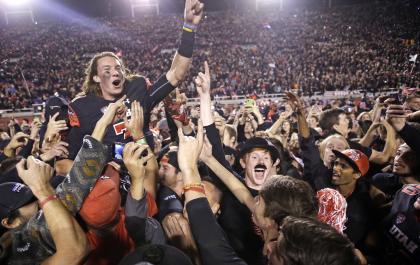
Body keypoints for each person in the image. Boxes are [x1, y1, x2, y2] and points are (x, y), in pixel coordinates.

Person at [62, 0, 205, 172]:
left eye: (118, 68)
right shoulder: (81, 107)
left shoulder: (136, 87)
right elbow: (65, 163)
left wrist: (189, 27)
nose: (115, 72)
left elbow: (177, 74)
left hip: (147, 174)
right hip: (104, 180)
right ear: (96, 78)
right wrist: (103, 170)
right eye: (107, 70)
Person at [0, 96, 126, 264]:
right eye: (28, 200)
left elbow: (79, 178)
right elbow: (77, 250)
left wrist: (103, 123)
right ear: (10, 223)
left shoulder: (35, 223)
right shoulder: (16, 253)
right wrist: (42, 188)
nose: (37, 200)